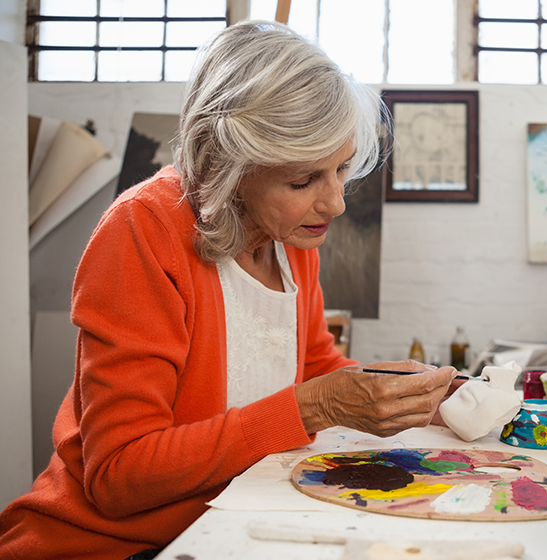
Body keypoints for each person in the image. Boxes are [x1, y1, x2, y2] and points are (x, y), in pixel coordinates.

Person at [0, 20, 456, 560]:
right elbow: (119, 475)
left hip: (228, 524)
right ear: (230, 166)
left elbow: (314, 365)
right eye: (303, 180)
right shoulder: (143, 231)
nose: (335, 202)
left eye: (340, 169)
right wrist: (315, 407)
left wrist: (409, 396)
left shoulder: (290, 236)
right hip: (107, 546)